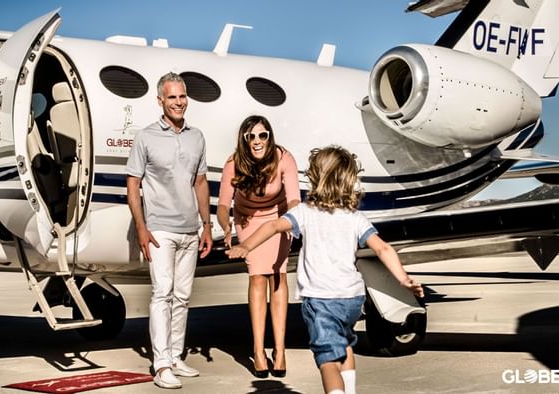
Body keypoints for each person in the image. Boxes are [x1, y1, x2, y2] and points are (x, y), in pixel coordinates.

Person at [226, 146, 424, 394]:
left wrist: (246, 244)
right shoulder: (355, 217)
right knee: (344, 346)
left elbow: (273, 227)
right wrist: (403, 279)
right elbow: (383, 249)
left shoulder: (305, 213)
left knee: (327, 361)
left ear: (316, 179)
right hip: (351, 299)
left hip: (321, 300)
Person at [126, 72, 213, 389]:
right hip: (160, 230)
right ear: (160, 100)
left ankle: (176, 356)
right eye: (172, 97)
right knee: (162, 294)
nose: (178, 102)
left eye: (182, 96)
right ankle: (161, 363)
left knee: (183, 296)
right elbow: (132, 185)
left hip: (191, 229)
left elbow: (200, 183)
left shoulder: (196, 136)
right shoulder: (146, 137)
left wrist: (206, 225)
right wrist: (141, 227)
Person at [217, 115, 300, 378]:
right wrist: (226, 225)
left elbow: (296, 199)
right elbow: (222, 204)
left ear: (269, 136)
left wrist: (296, 222)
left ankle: (280, 349)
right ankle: (258, 348)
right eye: (250, 136)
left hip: (278, 217)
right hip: (248, 220)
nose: (256, 141)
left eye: (262, 135)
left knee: (278, 276)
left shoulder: (284, 158)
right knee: (257, 277)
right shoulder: (233, 163)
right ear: (243, 139)